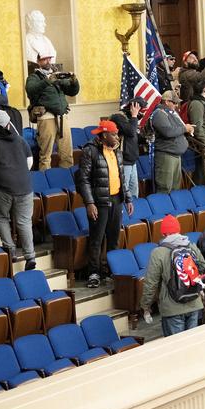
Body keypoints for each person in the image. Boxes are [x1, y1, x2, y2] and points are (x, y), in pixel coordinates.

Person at [77, 120, 133, 288]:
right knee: (97, 239)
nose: (117, 137)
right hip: (99, 202)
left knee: (114, 238)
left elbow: (121, 177)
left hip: (116, 199)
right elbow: (83, 180)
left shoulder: (117, 152)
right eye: (114, 134)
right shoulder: (90, 151)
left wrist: (128, 198)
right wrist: (89, 202)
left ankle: (110, 270)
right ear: (104, 135)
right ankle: (94, 273)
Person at [0, 109, 36, 271]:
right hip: (25, 187)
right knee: (24, 222)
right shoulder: (20, 140)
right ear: (8, 123)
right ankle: (30, 256)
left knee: (2, 218)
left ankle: (10, 250)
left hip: (3, 188)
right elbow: (30, 162)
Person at [139, 215, 205, 337]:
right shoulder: (191, 246)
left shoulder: (158, 252)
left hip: (172, 309)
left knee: (175, 347)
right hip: (194, 303)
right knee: (191, 344)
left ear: (163, 233)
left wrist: (145, 306)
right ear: (178, 230)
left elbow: (151, 283)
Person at [25, 52, 80, 170]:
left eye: (49, 58)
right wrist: (48, 80)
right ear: (38, 61)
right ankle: (45, 182)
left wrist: (74, 82)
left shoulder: (57, 75)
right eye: (44, 59)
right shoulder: (34, 77)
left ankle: (65, 180)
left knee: (67, 154)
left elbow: (72, 92)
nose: (48, 61)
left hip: (62, 116)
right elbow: (31, 90)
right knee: (45, 156)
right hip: (46, 116)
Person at [150, 91, 194, 193]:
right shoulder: (159, 114)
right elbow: (168, 132)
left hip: (175, 155)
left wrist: (188, 129)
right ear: (166, 101)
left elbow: (179, 128)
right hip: (166, 156)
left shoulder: (172, 113)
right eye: (174, 102)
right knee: (164, 188)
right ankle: (164, 209)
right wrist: (184, 128)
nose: (176, 105)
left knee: (175, 188)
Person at [109, 99, 143, 202]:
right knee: (124, 192)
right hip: (124, 162)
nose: (141, 111)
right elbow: (131, 132)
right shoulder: (118, 117)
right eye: (139, 108)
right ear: (132, 107)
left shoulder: (132, 120)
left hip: (132, 162)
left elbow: (134, 136)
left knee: (134, 194)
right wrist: (134, 116)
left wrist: (146, 138)